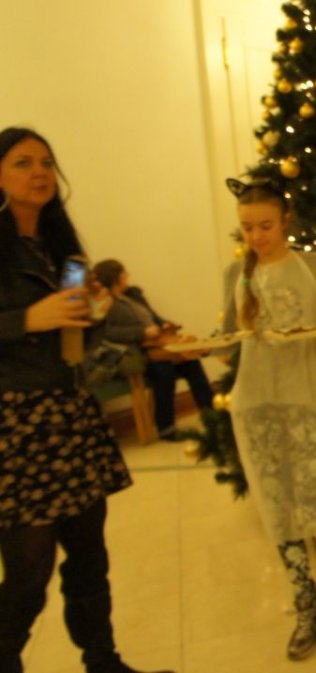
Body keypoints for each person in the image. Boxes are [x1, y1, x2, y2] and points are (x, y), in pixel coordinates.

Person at [0, 127, 170, 673]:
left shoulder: (60, 247)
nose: (40, 172)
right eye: (23, 162)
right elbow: (31, 325)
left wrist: (92, 316)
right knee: (29, 570)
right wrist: (27, 318)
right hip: (17, 422)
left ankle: (103, 662)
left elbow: (76, 343)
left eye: (46, 162)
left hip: (70, 412)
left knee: (90, 558)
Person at [222, 178, 316, 661]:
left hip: (309, 398)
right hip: (256, 403)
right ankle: (305, 606)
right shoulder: (236, 274)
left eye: (265, 226)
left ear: (285, 221)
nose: (256, 236)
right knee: (276, 503)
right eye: (247, 227)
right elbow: (228, 336)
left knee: (315, 494)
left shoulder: (314, 266)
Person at [91, 259, 214, 441]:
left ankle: (213, 416)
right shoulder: (106, 303)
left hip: (158, 346)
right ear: (116, 278)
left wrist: (164, 325)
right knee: (164, 371)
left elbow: (154, 317)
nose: (128, 276)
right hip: (138, 353)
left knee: (191, 363)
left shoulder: (134, 295)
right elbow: (109, 333)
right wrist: (142, 332)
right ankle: (166, 428)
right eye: (124, 273)